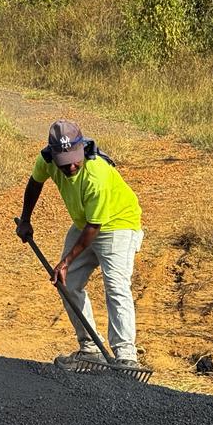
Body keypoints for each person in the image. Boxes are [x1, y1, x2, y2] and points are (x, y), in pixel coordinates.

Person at [15, 119, 145, 370]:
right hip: (85, 221)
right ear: (53, 155)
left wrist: (66, 261)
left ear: (82, 148)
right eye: (64, 162)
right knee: (67, 283)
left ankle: (126, 356)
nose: (72, 166)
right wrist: (26, 219)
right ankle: (91, 350)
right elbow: (35, 183)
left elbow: (94, 227)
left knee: (115, 285)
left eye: (75, 159)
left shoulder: (97, 174)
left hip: (118, 223)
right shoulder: (46, 160)